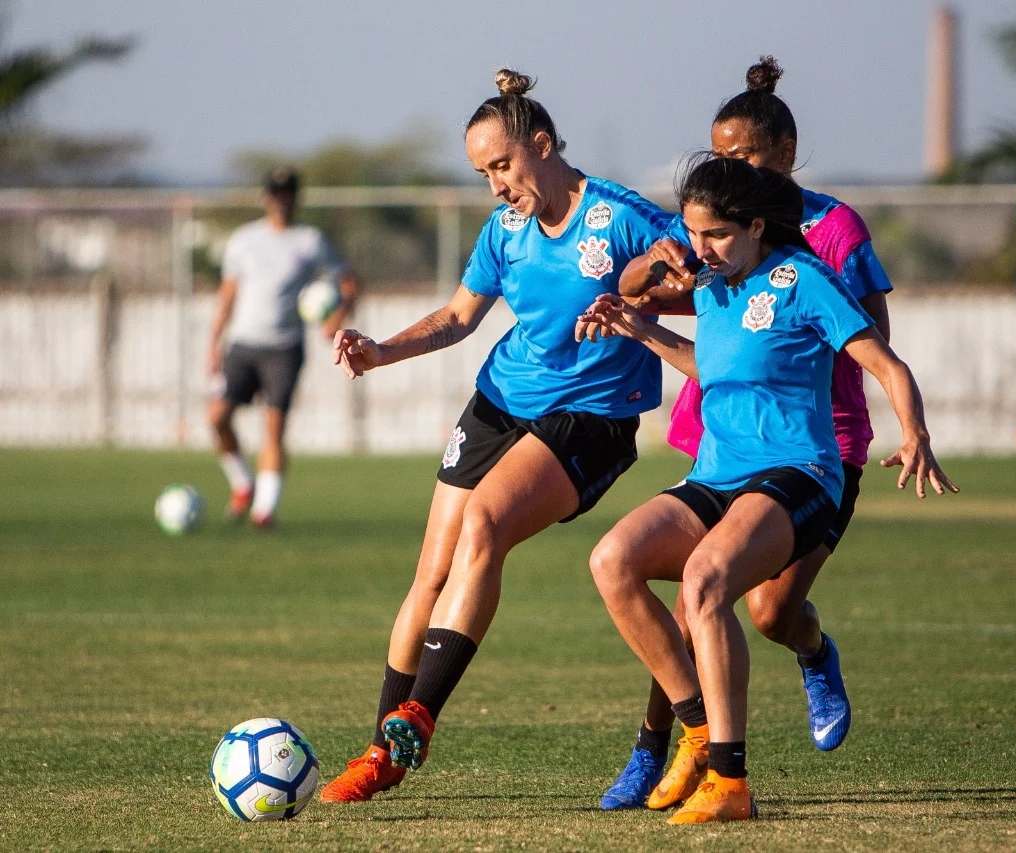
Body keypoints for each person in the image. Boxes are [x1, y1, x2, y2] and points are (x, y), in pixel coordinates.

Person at [318, 69, 673, 804]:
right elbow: (457, 317)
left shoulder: (623, 217)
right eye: (482, 173)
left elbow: (703, 277)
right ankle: (382, 749)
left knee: (485, 524)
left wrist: (641, 299)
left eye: (503, 167)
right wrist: (379, 350)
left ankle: (417, 715)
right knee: (431, 572)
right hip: (499, 401)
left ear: (541, 146)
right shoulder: (504, 229)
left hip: (590, 419)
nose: (496, 187)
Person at [579, 156, 956, 823]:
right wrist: (638, 327)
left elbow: (886, 362)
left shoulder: (804, 280)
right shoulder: (712, 284)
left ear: (756, 225)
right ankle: (696, 725)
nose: (701, 249)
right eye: (695, 234)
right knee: (612, 561)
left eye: (717, 235)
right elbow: (711, 366)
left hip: (799, 473)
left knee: (706, 582)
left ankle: (730, 782)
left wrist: (915, 430)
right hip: (717, 475)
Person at [207, 166, 358, 528]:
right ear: (265, 198)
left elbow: (349, 283)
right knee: (217, 418)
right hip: (243, 344)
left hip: (284, 348)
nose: (280, 200)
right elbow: (228, 294)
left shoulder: (309, 240)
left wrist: (335, 318)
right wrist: (214, 342)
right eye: (275, 193)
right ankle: (243, 484)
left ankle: (264, 512)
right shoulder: (244, 240)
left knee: (273, 429)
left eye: (287, 193)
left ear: (295, 197)